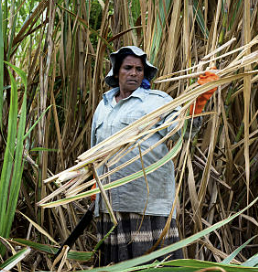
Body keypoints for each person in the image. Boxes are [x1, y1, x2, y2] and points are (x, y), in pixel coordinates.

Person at [91, 46, 218, 266]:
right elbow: (94, 150)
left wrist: (197, 102)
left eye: (139, 69)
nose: (134, 73)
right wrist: (93, 183)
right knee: (115, 266)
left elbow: (182, 131)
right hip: (109, 204)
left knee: (154, 266)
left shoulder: (157, 102)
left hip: (146, 202)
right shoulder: (103, 107)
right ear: (116, 72)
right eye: (128, 68)